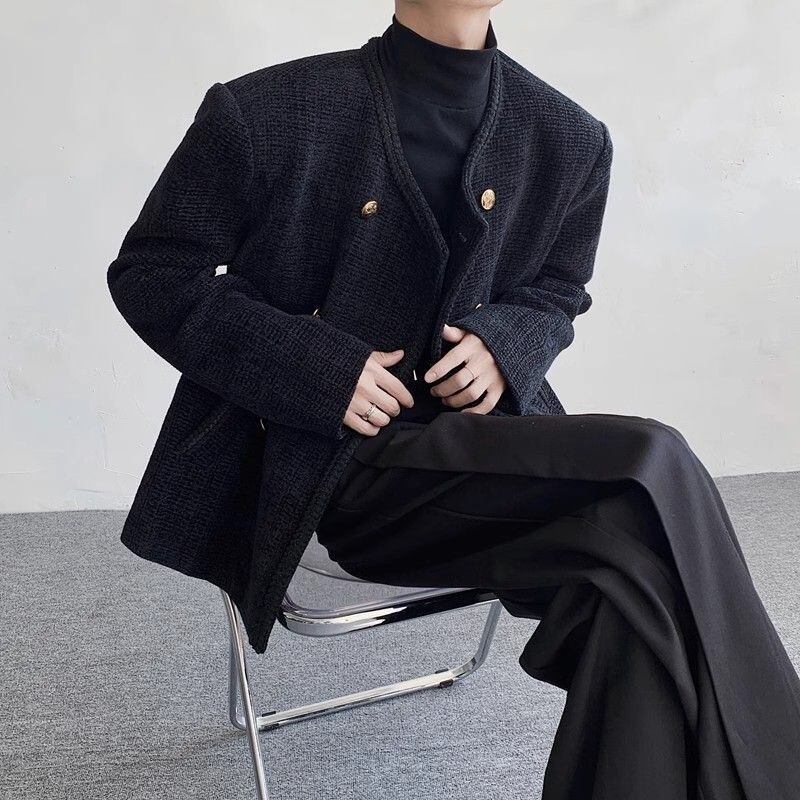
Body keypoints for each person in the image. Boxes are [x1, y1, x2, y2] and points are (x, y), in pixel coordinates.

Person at [107, 2, 800, 798]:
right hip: (334, 474)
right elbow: (154, 275)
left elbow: (558, 289)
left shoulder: (569, 136)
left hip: (483, 453)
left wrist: (506, 344)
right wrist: (316, 368)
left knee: (627, 580)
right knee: (652, 458)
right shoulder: (265, 111)